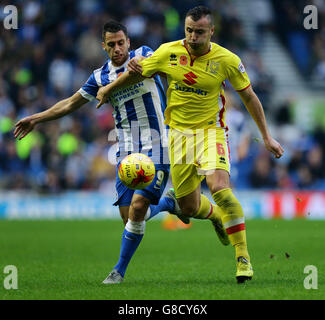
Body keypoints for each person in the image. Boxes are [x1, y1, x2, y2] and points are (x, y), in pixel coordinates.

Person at [97, 6, 284, 283]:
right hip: (178, 138)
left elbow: (250, 97)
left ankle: (242, 258)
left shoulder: (227, 60)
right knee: (187, 207)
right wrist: (108, 89)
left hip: (212, 133)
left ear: (211, 31)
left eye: (199, 32)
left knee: (220, 188)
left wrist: (266, 136)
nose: (193, 37)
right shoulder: (168, 52)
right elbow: (138, 73)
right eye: (189, 31)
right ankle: (217, 217)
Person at [13, 21, 191, 284]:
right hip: (126, 152)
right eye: (111, 44)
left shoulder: (144, 55)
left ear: (128, 42)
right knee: (128, 216)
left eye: (121, 42)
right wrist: (36, 119)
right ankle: (168, 203)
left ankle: (118, 271)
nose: (117, 48)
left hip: (158, 144)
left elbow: (160, 70)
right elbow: (71, 103)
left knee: (139, 209)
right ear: (104, 46)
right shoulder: (99, 77)